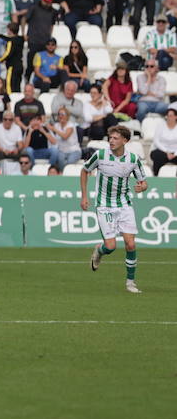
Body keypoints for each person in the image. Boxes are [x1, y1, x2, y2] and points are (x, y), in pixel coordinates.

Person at [82, 125, 148, 294]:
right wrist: (84, 196)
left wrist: (142, 187)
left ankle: (130, 282)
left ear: (125, 141)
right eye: (110, 138)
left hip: (124, 204)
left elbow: (143, 181)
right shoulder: (101, 155)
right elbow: (84, 171)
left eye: (115, 138)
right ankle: (99, 251)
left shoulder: (133, 159)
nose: (111, 141)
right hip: (104, 205)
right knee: (110, 247)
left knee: (131, 244)